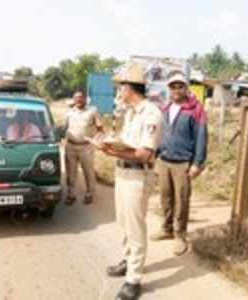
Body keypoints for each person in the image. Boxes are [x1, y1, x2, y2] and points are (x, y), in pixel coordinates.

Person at [101, 63, 163, 300]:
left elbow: (145, 154)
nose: (119, 93)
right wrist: (109, 142)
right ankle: (127, 261)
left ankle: (134, 280)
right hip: (123, 173)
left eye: (120, 88)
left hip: (139, 174)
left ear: (129, 88)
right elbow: (127, 142)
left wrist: (111, 152)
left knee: (135, 227)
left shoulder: (151, 113)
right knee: (124, 222)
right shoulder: (130, 113)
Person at [151, 72, 208, 256]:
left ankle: (180, 235)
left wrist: (197, 163)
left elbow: (201, 138)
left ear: (186, 88)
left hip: (183, 163)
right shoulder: (166, 109)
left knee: (182, 200)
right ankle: (166, 228)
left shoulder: (196, 109)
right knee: (165, 198)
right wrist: (156, 157)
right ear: (169, 89)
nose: (176, 90)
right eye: (173, 87)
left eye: (180, 86)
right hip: (164, 161)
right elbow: (159, 134)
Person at [64, 89, 103, 205]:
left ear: (85, 98)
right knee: (71, 173)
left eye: (81, 97)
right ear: (73, 99)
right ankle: (71, 194)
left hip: (86, 147)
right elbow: (64, 127)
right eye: (76, 97)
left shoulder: (92, 111)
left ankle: (89, 194)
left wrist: (97, 141)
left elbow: (100, 128)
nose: (78, 99)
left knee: (88, 172)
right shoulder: (69, 112)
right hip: (70, 146)